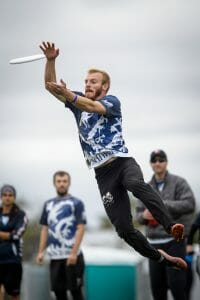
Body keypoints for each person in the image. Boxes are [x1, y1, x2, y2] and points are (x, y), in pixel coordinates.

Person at [39, 41, 187, 270]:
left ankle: (170, 226)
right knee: (123, 229)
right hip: (103, 175)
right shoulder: (77, 102)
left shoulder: (111, 102)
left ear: (105, 87)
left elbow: (92, 107)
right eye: (86, 81)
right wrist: (51, 61)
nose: (88, 84)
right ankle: (160, 258)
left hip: (122, 163)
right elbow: (50, 86)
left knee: (136, 184)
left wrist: (69, 94)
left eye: (93, 82)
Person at [136, 150, 196, 300]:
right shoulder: (145, 187)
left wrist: (162, 205)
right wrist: (143, 216)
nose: (157, 163)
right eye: (154, 160)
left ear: (166, 162)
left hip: (174, 242)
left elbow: (190, 204)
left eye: (161, 160)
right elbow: (137, 215)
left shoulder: (179, 182)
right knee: (157, 290)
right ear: (150, 164)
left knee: (177, 287)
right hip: (153, 245)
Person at [36, 171, 86, 300]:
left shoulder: (77, 203)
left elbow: (81, 228)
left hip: (72, 256)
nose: (61, 184)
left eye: (64, 181)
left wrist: (74, 253)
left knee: (76, 293)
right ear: (54, 183)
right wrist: (41, 251)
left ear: (69, 183)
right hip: (55, 257)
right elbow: (45, 229)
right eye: (59, 181)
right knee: (58, 294)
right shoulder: (48, 204)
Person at [0, 185, 28, 300]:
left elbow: (17, 234)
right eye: (5, 195)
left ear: (14, 197)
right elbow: (11, 234)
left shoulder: (20, 215)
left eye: (10, 195)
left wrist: (5, 235)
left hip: (13, 260)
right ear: (1, 197)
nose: (7, 197)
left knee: (14, 294)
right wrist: (8, 234)